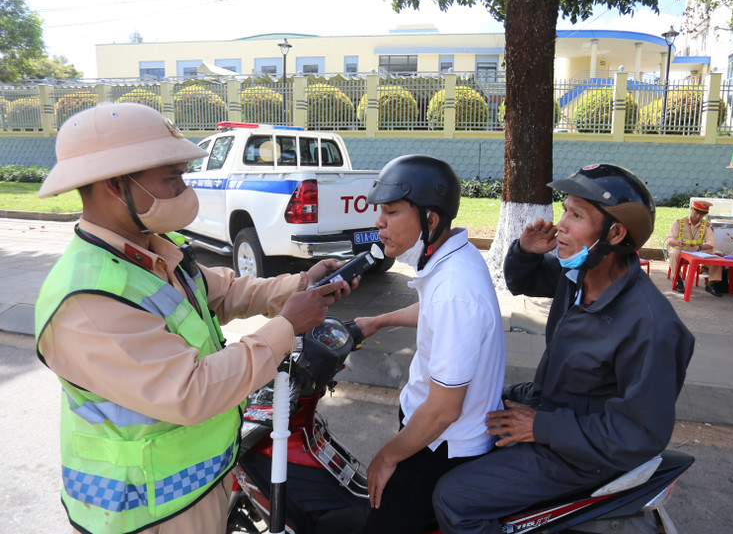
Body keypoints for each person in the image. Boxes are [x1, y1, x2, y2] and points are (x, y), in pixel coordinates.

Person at [34, 103, 353, 534]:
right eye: (172, 177)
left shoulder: (153, 249)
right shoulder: (88, 301)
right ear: (115, 184)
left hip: (199, 485)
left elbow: (220, 291)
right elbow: (191, 390)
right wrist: (285, 327)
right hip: (142, 512)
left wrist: (300, 284)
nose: (185, 187)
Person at [432, 163, 695, 534]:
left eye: (576, 215)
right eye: (564, 210)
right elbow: (523, 280)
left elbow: (637, 436)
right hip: (552, 405)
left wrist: (541, 427)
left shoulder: (650, 327)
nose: (561, 225)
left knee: (455, 498)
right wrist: (525, 250)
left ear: (615, 233)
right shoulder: (580, 274)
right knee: (459, 413)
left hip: (585, 453)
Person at [353, 155, 506, 534]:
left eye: (390, 212)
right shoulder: (455, 257)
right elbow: (433, 311)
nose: (379, 223)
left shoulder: (455, 290)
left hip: (440, 446)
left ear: (430, 219)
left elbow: (441, 411)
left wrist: (385, 458)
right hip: (431, 434)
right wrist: (377, 321)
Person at [666, 199, 726, 296]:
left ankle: (712, 284)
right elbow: (670, 240)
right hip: (682, 250)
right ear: (692, 209)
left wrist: (698, 248)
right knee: (674, 253)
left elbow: (712, 243)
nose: (698, 216)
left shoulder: (706, 225)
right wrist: (677, 242)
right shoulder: (679, 222)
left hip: (698, 251)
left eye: (702, 214)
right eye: (696, 212)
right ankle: (678, 280)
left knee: (717, 254)